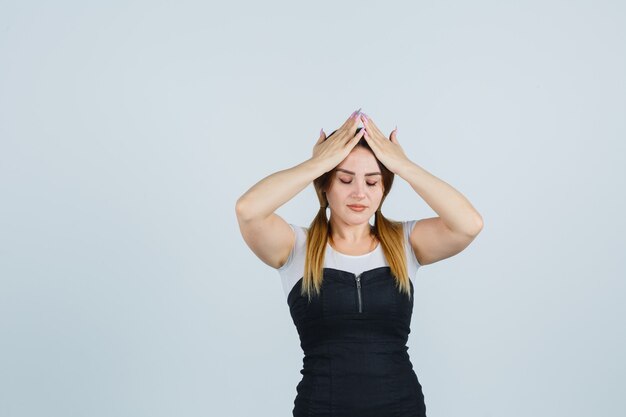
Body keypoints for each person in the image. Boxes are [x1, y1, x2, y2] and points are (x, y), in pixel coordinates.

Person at [235, 108, 484, 417]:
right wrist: (317, 163)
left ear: (383, 189)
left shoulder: (405, 242)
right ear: (325, 184)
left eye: (372, 182)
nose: (359, 193)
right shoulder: (295, 247)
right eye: (344, 179)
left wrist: (402, 165)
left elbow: (468, 224)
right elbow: (248, 210)